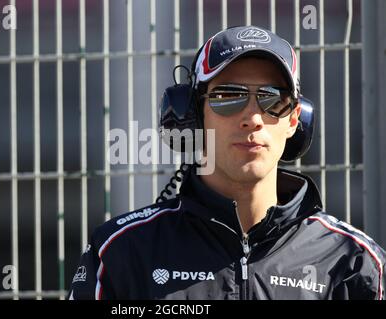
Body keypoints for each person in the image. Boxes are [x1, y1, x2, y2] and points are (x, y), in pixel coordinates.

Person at [69, 25, 385, 300]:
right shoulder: (121, 253)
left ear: (294, 120)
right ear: (191, 116)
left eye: (273, 98)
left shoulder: (352, 262)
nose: (252, 118)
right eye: (227, 96)